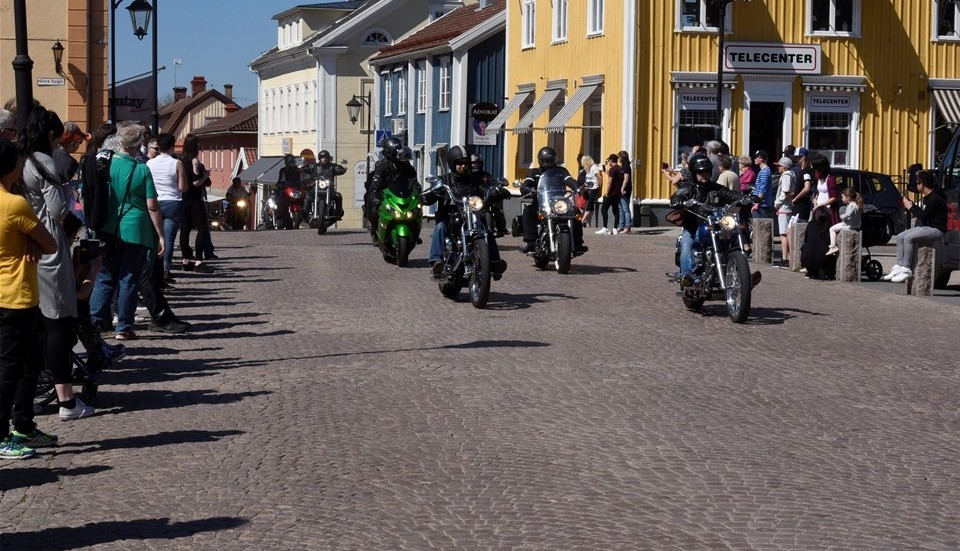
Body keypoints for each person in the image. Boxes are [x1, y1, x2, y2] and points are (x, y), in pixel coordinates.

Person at [18, 106, 95, 421]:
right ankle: (66, 400)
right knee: (57, 323)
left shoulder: (21, 160)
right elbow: (58, 208)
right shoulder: (44, 161)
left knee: (32, 327)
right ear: (52, 135)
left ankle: (30, 399)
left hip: (24, 244)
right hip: (47, 244)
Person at [1, 138, 59, 459]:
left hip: (11, 294)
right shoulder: (14, 204)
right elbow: (49, 244)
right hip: (16, 295)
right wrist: (31, 244)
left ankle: (23, 424)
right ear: (13, 168)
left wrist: (28, 243)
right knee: (11, 369)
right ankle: (2, 435)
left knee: (30, 363)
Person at [88, 124, 165, 341]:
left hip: (109, 228)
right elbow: (152, 206)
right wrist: (161, 235)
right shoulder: (142, 169)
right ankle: (123, 327)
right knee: (129, 279)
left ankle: (93, 324)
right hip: (136, 229)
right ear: (139, 145)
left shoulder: (106, 166)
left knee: (105, 278)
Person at [424, 145, 508, 278]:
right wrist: (431, 194)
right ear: (452, 163)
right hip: (450, 218)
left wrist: (496, 193)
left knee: (486, 231)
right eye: (459, 164)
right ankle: (436, 261)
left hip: (471, 217)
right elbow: (431, 194)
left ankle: (494, 262)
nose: (463, 166)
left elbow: (484, 190)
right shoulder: (444, 180)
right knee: (439, 228)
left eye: (465, 163)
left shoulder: (474, 180)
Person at [669, 154, 742, 288]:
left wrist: (745, 198)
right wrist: (677, 200)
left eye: (707, 171)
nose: (704, 174)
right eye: (700, 172)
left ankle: (742, 275)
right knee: (686, 244)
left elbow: (730, 194)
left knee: (732, 236)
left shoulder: (716, 188)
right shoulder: (689, 188)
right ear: (694, 172)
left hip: (715, 225)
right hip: (693, 226)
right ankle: (687, 276)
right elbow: (678, 194)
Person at [884, 170, 948, 283]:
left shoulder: (935, 199)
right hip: (927, 227)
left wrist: (910, 208)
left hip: (937, 230)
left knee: (909, 238)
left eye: (918, 183)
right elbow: (925, 214)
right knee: (900, 236)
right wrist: (913, 205)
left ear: (923, 184)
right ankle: (899, 266)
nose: (916, 185)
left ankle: (906, 269)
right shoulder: (929, 197)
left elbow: (923, 216)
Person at [520, 146, 587, 253]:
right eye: (546, 161)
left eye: (551, 161)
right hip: (541, 203)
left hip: (559, 202)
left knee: (575, 212)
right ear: (540, 161)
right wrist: (526, 189)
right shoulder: (534, 172)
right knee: (528, 211)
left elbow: (569, 180)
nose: (548, 163)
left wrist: (577, 187)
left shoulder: (561, 171)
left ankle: (577, 243)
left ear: (555, 160)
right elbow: (528, 182)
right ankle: (531, 243)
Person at [146, 133, 187, 282]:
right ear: (172, 146)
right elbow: (183, 187)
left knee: (153, 238)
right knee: (168, 240)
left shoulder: (149, 163)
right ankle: (164, 272)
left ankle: (151, 271)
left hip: (154, 202)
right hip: (173, 202)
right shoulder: (177, 163)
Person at [367, 137, 416, 237]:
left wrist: (418, 193)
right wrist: (376, 197)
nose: (402, 161)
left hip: (402, 196)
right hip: (386, 196)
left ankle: (414, 232)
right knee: (374, 208)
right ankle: (374, 231)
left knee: (416, 210)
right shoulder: (382, 167)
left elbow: (414, 181)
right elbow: (375, 185)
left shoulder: (408, 167)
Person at [178, 133, 213, 271]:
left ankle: (185, 259)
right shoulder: (195, 162)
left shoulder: (180, 162)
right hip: (194, 200)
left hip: (182, 199)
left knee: (185, 230)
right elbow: (198, 182)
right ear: (195, 146)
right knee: (202, 228)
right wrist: (204, 175)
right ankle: (199, 260)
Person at [470, 154, 507, 237]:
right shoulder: (468, 176)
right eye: (473, 163)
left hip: (485, 199)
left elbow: (493, 182)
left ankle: (501, 227)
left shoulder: (486, 175)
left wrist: (498, 187)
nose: (476, 166)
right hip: (472, 200)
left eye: (478, 163)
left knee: (497, 204)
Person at [773, 156, 797, 265]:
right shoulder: (791, 175)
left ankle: (785, 258)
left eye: (780, 166)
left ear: (784, 167)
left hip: (784, 207)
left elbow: (785, 191)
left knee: (783, 234)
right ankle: (787, 257)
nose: (778, 168)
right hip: (786, 207)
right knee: (785, 233)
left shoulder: (786, 176)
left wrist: (777, 203)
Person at [800, 206, 835, 280]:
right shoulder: (829, 226)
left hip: (808, 259)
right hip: (824, 259)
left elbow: (806, 239)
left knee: (805, 247)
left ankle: (810, 271)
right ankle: (830, 274)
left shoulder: (811, 224)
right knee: (832, 252)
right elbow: (829, 242)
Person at [826, 187, 863, 256]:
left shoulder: (851, 206)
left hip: (849, 226)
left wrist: (842, 217)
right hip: (855, 225)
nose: (841, 199)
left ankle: (833, 246)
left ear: (848, 197)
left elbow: (848, 214)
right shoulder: (855, 205)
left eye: (842, 197)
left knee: (832, 229)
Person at [595, 154, 621, 235]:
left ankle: (605, 228)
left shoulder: (613, 169)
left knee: (604, 209)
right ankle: (615, 228)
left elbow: (610, 181)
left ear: (611, 160)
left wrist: (607, 193)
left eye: (609, 160)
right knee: (615, 210)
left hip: (611, 193)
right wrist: (607, 173)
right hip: (617, 193)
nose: (608, 162)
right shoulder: (619, 168)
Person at [811, 155, 840, 225]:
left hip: (827, 210)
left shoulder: (830, 179)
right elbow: (819, 191)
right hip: (818, 209)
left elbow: (834, 197)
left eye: (815, 168)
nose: (814, 170)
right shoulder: (819, 178)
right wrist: (815, 199)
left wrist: (821, 205)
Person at [579, 155, 603, 228]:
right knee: (590, 206)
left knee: (589, 206)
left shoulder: (594, 167)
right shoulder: (588, 168)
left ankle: (582, 221)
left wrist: (599, 188)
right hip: (588, 188)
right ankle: (588, 222)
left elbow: (599, 178)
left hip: (594, 188)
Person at [751, 150, 774, 218]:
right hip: (763, 204)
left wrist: (757, 203)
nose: (754, 159)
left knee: (759, 227)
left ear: (761, 158)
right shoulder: (765, 170)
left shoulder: (764, 171)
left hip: (762, 205)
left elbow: (763, 188)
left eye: (756, 157)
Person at [617, 150, 633, 234]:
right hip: (619, 190)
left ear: (622, 157)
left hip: (625, 190)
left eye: (619, 156)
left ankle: (628, 227)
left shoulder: (627, 166)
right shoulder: (622, 166)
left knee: (625, 208)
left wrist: (622, 189)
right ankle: (622, 226)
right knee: (620, 208)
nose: (618, 158)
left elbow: (626, 179)